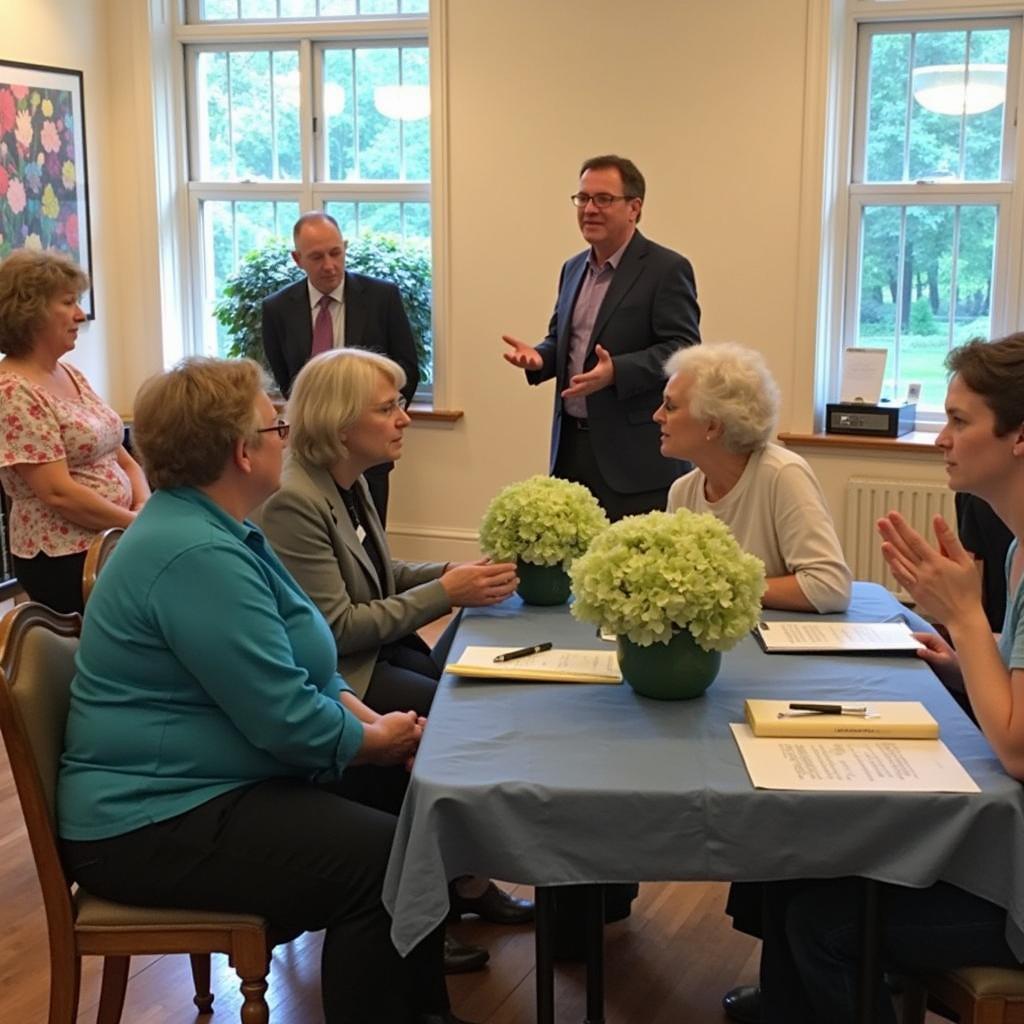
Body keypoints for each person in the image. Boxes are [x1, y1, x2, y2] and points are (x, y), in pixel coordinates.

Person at [57, 356, 472, 1024]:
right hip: (152, 821)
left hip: (207, 786)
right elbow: (285, 721)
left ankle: (426, 1013)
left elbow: (307, 670)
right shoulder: (196, 554)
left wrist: (376, 730)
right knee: (385, 862)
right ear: (241, 452)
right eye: (274, 426)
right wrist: (372, 741)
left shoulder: (226, 529)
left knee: (405, 802)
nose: (287, 435)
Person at [751, 333, 1024, 1024]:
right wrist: (968, 656)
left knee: (825, 926)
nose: (942, 439)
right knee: (796, 870)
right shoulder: (1020, 549)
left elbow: (1018, 748)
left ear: (1019, 437)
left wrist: (963, 617)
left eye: (960, 422)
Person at [256, 348, 534, 944]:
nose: (405, 418)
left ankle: (455, 887)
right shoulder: (293, 499)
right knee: (455, 720)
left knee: (468, 704)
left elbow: (377, 573)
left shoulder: (346, 478)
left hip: (369, 657)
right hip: (340, 676)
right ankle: (431, 904)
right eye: (388, 408)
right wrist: (446, 592)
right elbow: (336, 629)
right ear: (340, 424)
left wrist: (453, 573)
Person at [501, 154, 701, 521]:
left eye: (603, 199)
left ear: (634, 207)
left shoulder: (666, 269)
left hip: (635, 460)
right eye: (582, 199)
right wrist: (541, 357)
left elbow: (683, 351)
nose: (589, 209)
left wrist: (616, 372)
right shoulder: (573, 268)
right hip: (571, 449)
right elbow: (563, 338)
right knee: (574, 570)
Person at [0, 250, 149, 614]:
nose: (81, 316)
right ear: (29, 312)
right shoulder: (13, 391)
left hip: (116, 536)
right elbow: (58, 493)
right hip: (67, 557)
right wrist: (138, 524)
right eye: (68, 303)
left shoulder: (70, 374)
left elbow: (123, 456)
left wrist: (144, 507)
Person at [656, 342, 851, 613]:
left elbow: (829, 587)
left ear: (712, 425)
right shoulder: (682, 491)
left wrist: (721, 588)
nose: (657, 416)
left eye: (671, 406)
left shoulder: (783, 474)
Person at [262, 211, 420, 525]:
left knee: (370, 544)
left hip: (369, 449)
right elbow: (289, 382)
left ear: (345, 247)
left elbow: (407, 368)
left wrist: (380, 416)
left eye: (336, 253)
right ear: (297, 259)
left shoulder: (381, 297)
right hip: (311, 450)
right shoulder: (277, 308)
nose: (330, 265)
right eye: (317, 257)